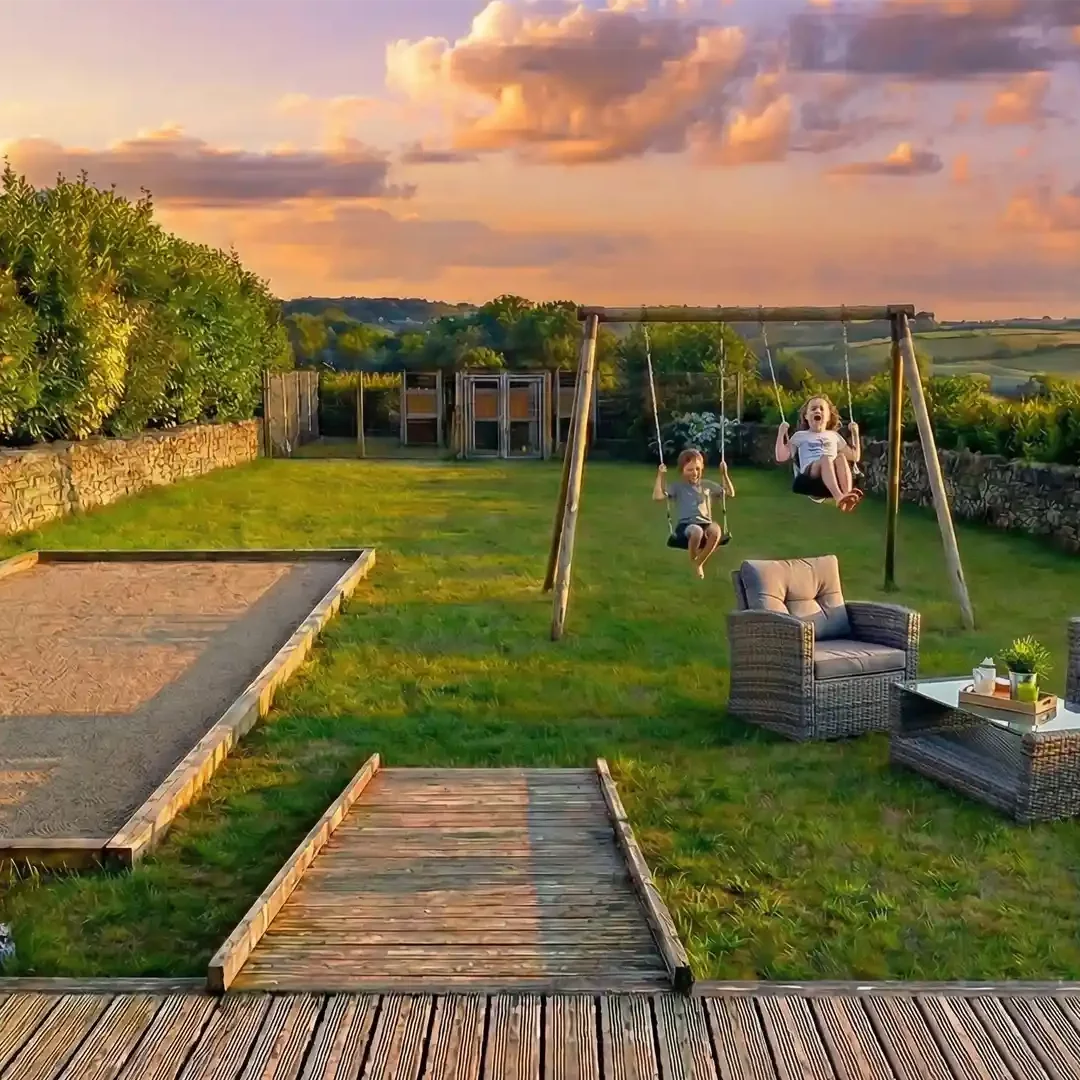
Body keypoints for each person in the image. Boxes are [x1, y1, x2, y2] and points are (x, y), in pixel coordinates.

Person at [652, 447, 735, 579]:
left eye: (697, 469)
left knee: (716, 531)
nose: (694, 473)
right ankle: (693, 560)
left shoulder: (707, 485)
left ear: (702, 468)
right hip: (686, 525)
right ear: (682, 470)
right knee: (696, 531)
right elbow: (657, 496)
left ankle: (699, 563)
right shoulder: (677, 487)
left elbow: (730, 493)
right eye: (689, 470)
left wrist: (724, 474)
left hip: (706, 523)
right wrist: (660, 475)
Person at [775, 394, 862, 511]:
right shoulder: (800, 436)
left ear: (828, 417)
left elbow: (854, 456)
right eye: (813, 409)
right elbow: (781, 456)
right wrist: (781, 432)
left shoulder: (834, 436)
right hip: (811, 473)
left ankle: (847, 495)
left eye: (821, 409)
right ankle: (839, 497)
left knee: (841, 457)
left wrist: (855, 433)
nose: (817, 411)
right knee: (825, 459)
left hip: (832, 471)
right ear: (806, 416)